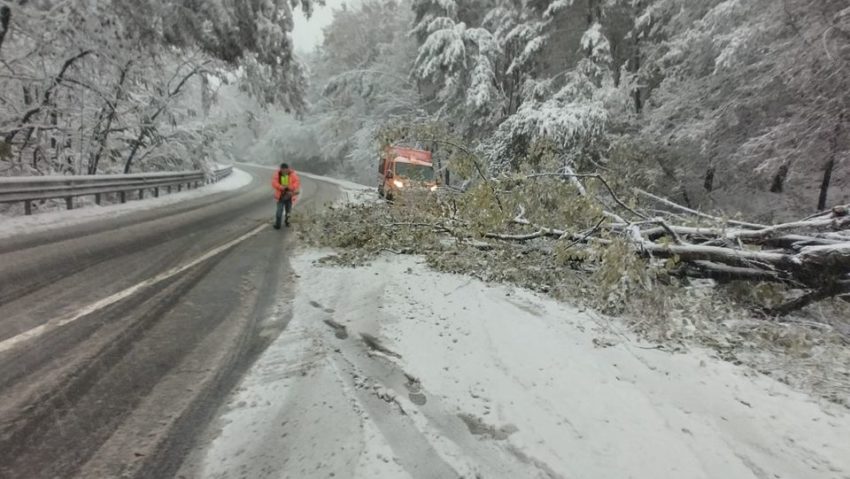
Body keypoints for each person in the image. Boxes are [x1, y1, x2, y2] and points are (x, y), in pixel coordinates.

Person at [272, 163, 300, 229]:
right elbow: (274, 183)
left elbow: (297, 182)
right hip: (280, 197)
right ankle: (277, 225)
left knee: (288, 212)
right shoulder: (277, 174)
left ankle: (287, 222)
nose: (284, 170)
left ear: (288, 169)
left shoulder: (292, 174)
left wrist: (291, 187)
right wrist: (281, 187)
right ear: (281, 169)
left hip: (289, 197)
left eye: (285, 169)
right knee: (279, 212)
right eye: (282, 169)